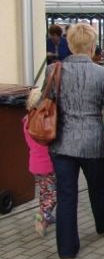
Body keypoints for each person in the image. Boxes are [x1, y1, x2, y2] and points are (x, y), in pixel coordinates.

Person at [45, 22, 104, 259]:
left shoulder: (53, 70)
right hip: (93, 142)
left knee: (67, 195)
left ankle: (67, 250)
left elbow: (47, 105)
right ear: (93, 46)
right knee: (98, 187)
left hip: (61, 142)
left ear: (69, 43)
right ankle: (103, 224)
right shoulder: (103, 73)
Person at [22, 88, 57, 237]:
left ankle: (44, 217)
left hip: (35, 164)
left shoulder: (26, 120)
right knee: (55, 194)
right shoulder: (44, 122)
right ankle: (42, 216)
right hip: (47, 165)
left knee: (44, 192)